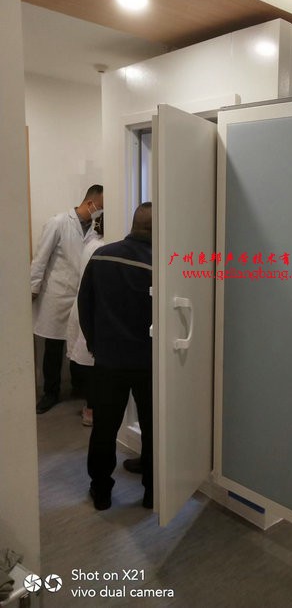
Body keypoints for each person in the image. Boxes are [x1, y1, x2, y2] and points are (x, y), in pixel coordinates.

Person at [78, 202, 153, 511]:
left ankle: (101, 491)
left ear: (134, 224)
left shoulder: (102, 256)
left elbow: (85, 304)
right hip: (149, 363)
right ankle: (153, 491)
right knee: (153, 425)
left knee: (105, 427)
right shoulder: (161, 265)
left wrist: (95, 344)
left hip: (108, 360)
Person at [31, 185, 104, 414]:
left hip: (80, 295)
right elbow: (40, 258)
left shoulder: (96, 231)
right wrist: (33, 287)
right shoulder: (58, 222)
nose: (102, 211)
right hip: (57, 293)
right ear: (90, 202)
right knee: (53, 347)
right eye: (101, 206)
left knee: (78, 343)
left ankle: (78, 387)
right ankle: (50, 393)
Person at [66, 214, 105, 427]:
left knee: (90, 361)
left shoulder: (92, 243)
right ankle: (91, 409)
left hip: (85, 304)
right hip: (93, 307)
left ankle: (90, 408)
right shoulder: (101, 247)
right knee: (93, 364)